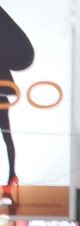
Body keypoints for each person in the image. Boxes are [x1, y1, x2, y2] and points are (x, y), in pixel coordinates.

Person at [0, 6, 33, 204]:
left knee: (7, 137)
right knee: (7, 138)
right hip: (3, 101)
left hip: (1, 103)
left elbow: (10, 89)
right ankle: (11, 175)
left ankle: (12, 175)